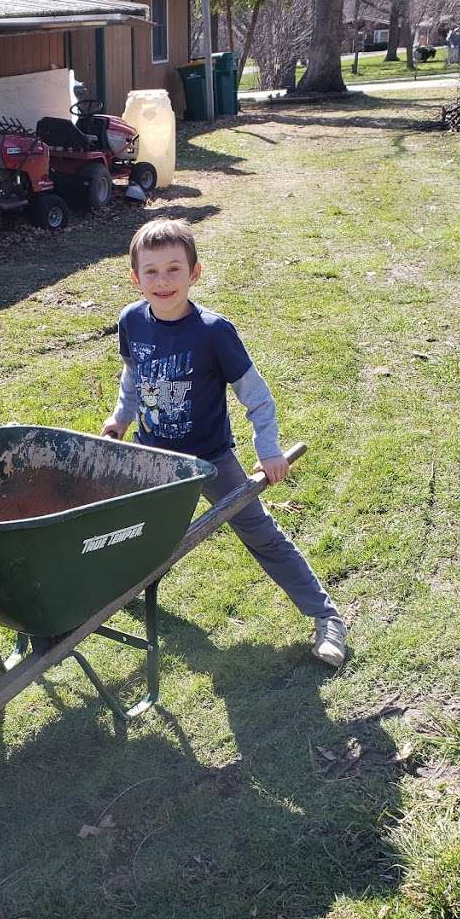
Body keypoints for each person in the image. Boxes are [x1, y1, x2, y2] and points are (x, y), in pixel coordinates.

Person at [101, 217, 347, 667]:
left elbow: (256, 396)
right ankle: (119, 590)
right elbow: (133, 376)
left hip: (211, 459)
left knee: (261, 534)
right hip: (154, 459)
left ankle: (326, 617)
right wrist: (121, 418)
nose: (163, 281)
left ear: (194, 273)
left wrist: (268, 449)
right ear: (135, 278)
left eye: (175, 269)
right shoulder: (131, 321)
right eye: (151, 272)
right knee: (134, 532)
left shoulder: (214, 332)